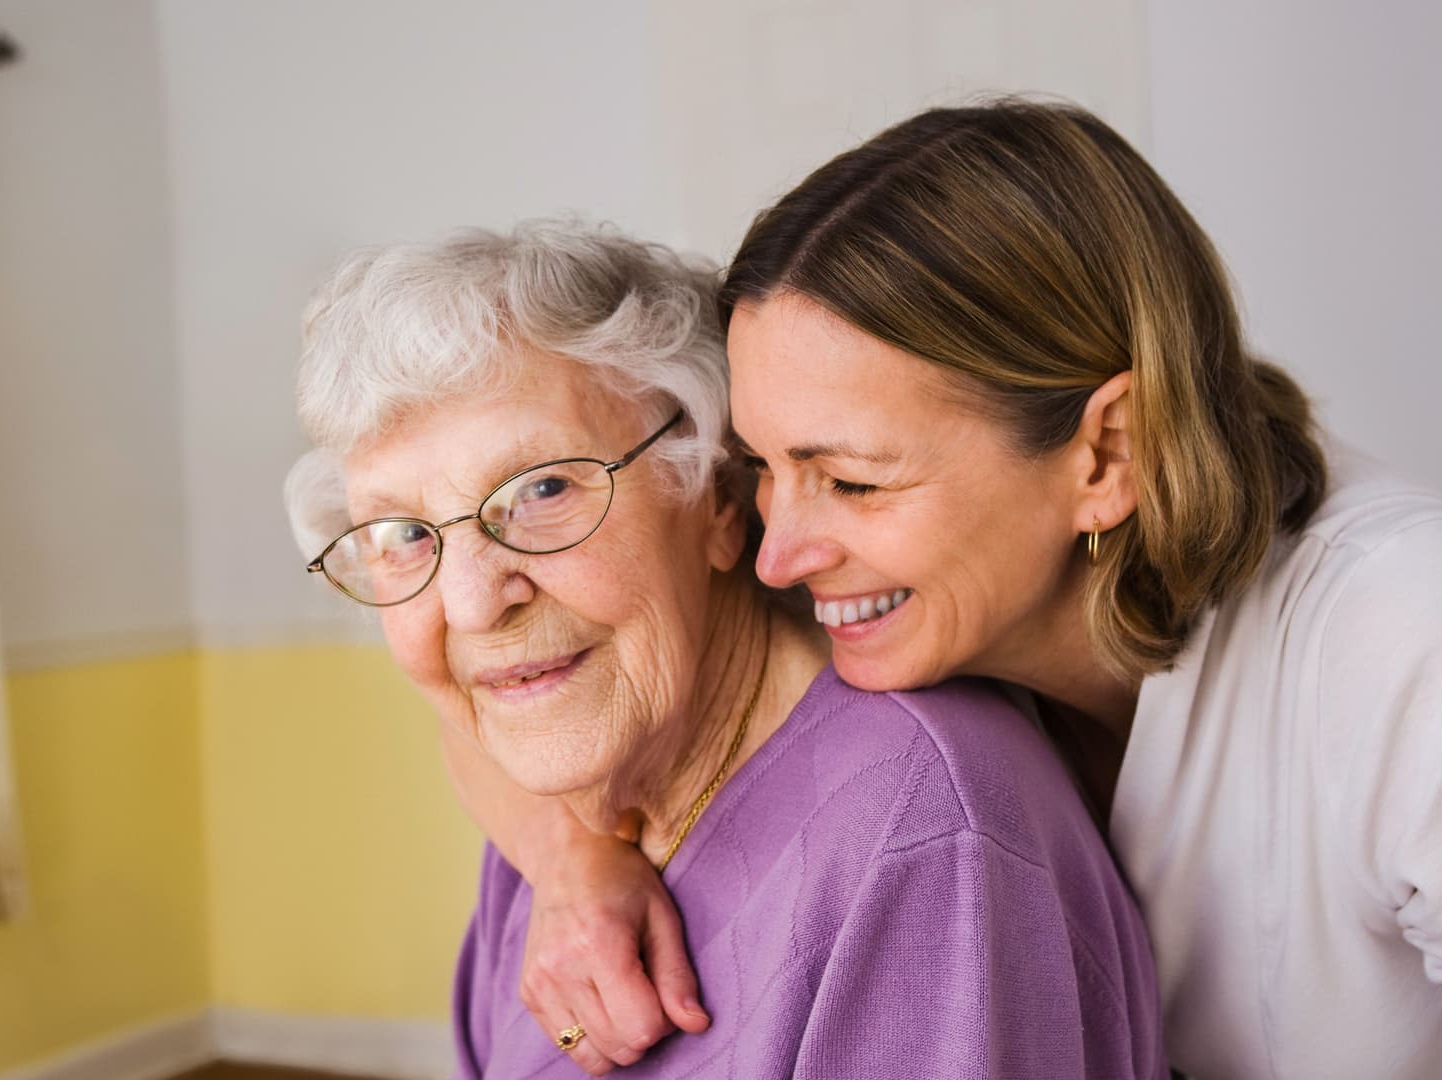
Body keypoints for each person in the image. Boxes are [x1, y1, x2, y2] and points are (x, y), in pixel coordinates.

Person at [469, 102, 1442, 1078]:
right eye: (763, 467)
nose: (778, 555)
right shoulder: (873, 590)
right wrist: (575, 864)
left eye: (854, 480)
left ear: (1110, 451)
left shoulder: (1410, 635)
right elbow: (459, 672)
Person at [285, 219, 1165, 1077]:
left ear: (715, 497)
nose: (473, 605)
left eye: (544, 488)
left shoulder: (924, 831)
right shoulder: (558, 804)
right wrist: (565, 856)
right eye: (400, 531)